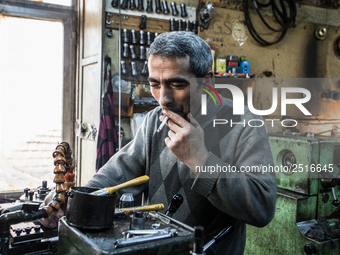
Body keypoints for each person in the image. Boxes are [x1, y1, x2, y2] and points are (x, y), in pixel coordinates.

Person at [41, 31, 276, 255]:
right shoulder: (155, 120)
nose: (163, 98)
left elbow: (262, 207)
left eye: (177, 85)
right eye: (155, 84)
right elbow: (118, 172)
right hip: (155, 247)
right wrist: (76, 202)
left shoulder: (244, 123)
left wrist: (200, 160)